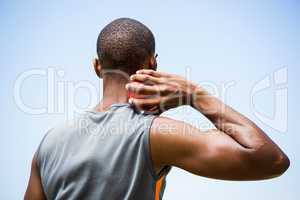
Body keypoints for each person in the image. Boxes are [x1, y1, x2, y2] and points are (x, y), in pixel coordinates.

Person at [25, 18, 290, 200]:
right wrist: (194, 95)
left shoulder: (48, 144)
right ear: (153, 63)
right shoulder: (155, 134)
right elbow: (271, 160)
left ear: (97, 66)